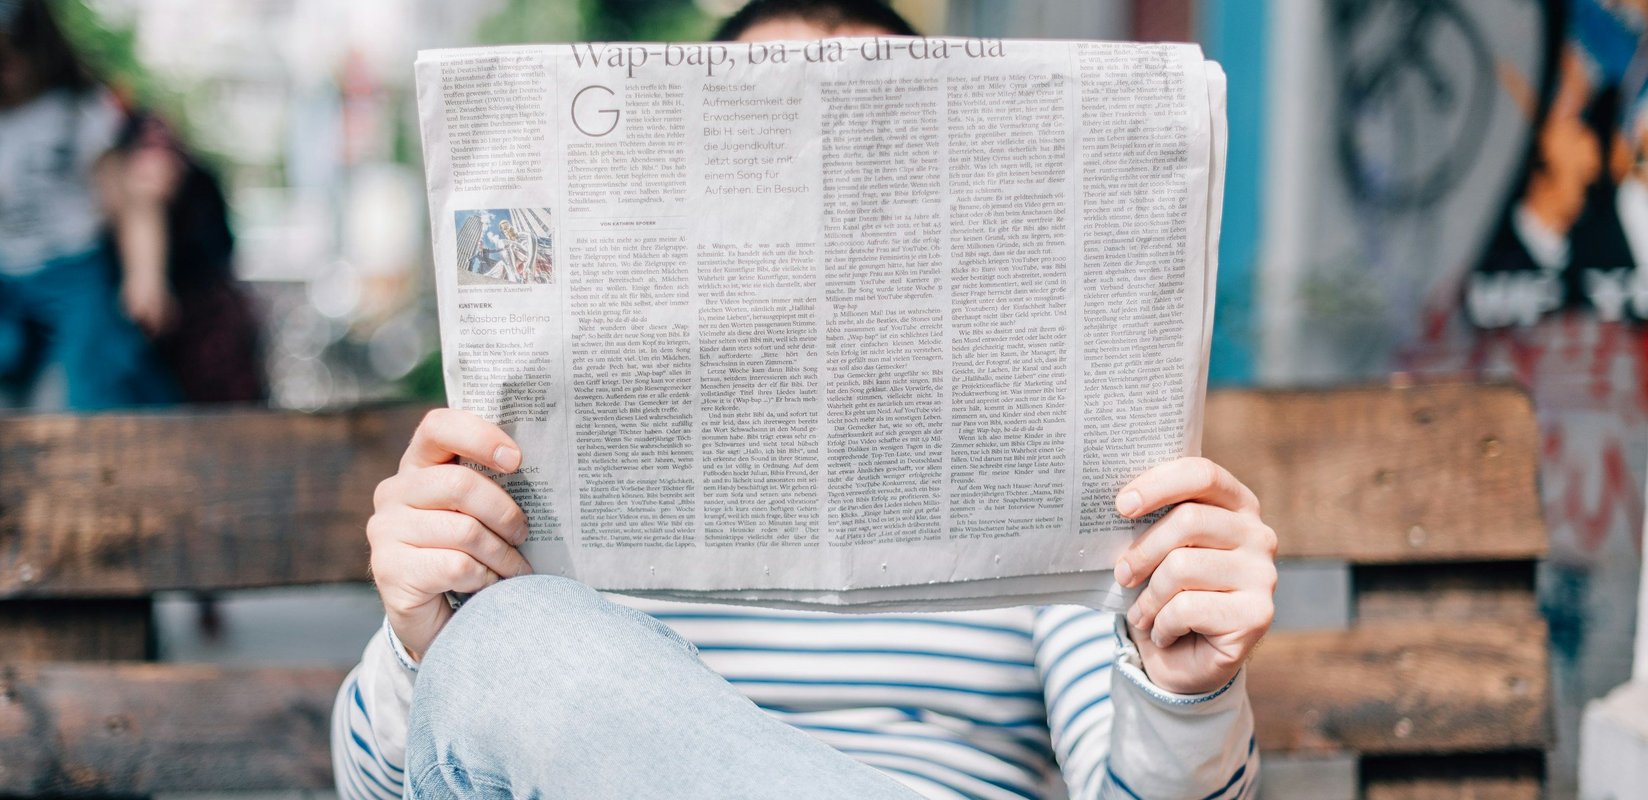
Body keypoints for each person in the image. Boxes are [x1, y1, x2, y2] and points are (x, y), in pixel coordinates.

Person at [333, 2, 1275, 798]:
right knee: (511, 643)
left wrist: (1183, 692)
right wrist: (423, 642)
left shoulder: (1051, 475)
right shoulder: (545, 479)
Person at [0, 0, 178, 409]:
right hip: (6, 274)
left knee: (85, 380)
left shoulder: (78, 110)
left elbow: (131, 204)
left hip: (73, 269)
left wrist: (145, 277)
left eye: (13, 54)